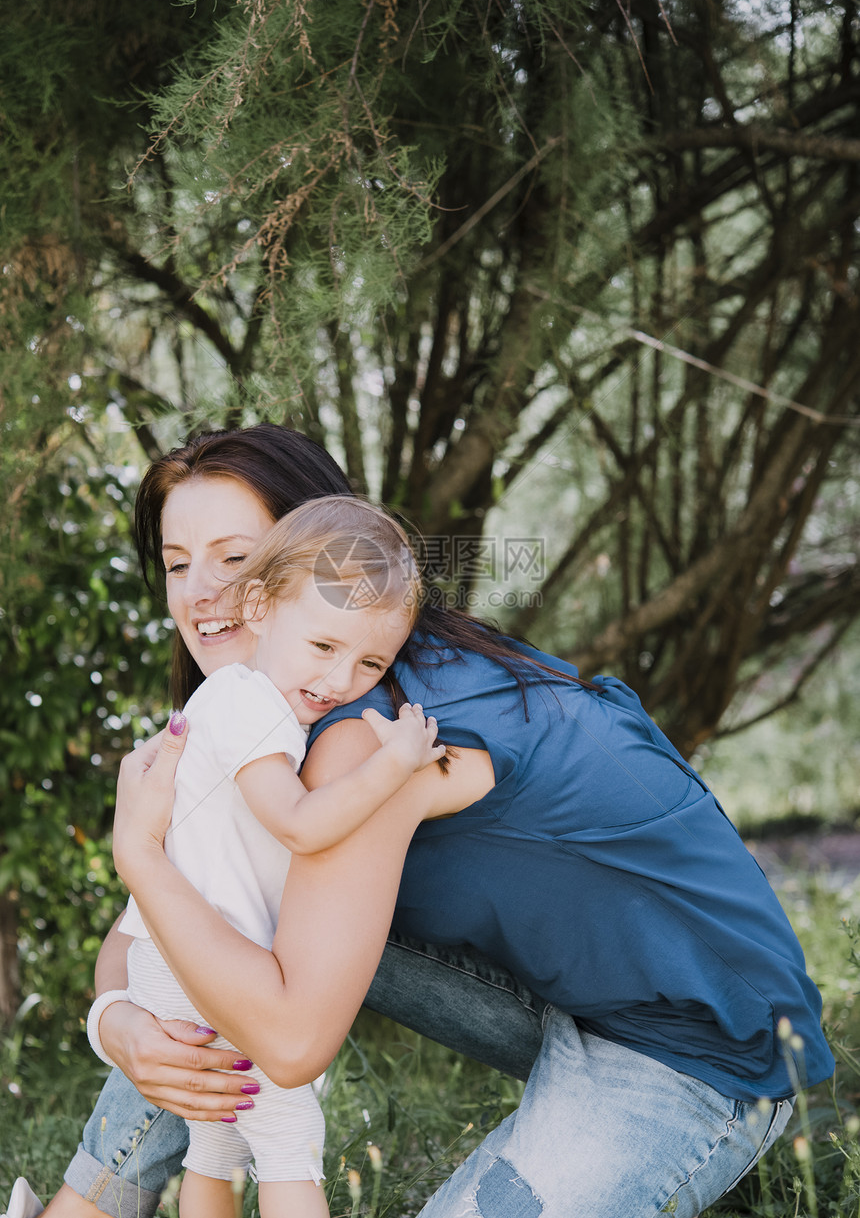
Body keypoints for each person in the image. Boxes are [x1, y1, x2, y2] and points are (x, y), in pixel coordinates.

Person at [9, 424, 833, 1218]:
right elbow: (166, 926)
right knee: (228, 923)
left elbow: (290, 1042)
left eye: (237, 558)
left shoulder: (359, 730)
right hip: (571, 984)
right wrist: (114, 1023)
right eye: (177, 563)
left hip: (695, 1043)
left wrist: (138, 854)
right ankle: (88, 1207)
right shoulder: (271, 705)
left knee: (235, 944)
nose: (202, 594)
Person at [114, 495, 443, 1218]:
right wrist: (397, 764)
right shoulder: (247, 703)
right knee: (290, 1138)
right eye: (323, 646)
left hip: (176, 961)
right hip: (211, 964)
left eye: (369, 661)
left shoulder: (243, 703)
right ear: (257, 608)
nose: (338, 679)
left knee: (218, 1147)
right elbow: (297, 825)